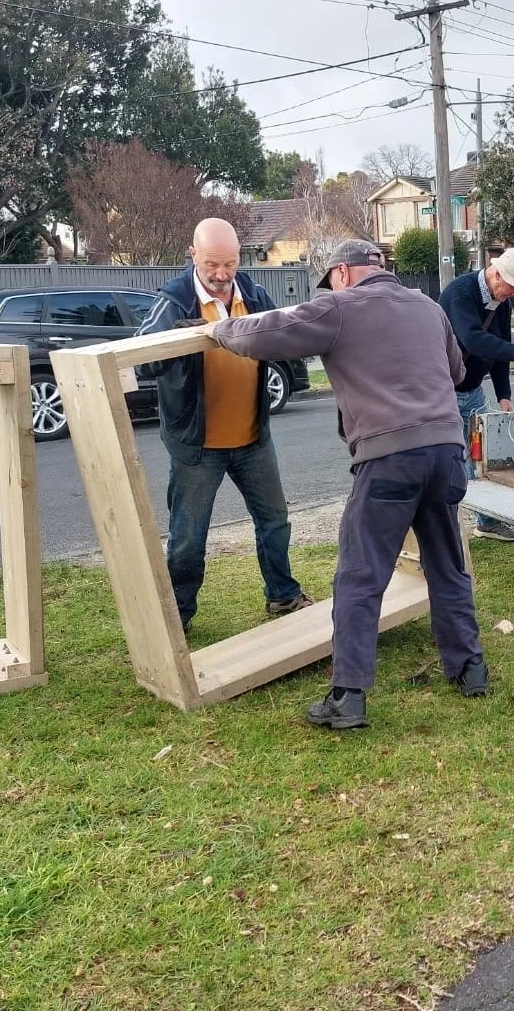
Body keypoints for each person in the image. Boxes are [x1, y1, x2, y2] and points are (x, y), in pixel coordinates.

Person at [207, 239, 488, 730]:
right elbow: (458, 371)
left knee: (360, 576)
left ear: (340, 273)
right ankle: (470, 669)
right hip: (446, 452)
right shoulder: (426, 306)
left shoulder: (338, 308)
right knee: (447, 564)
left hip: (388, 458)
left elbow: (263, 336)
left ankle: (348, 696)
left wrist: (219, 327)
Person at [135, 217, 311, 631]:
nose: (221, 275)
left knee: (274, 520)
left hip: (252, 437)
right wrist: (175, 342)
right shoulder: (173, 301)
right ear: (193, 255)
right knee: (188, 535)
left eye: (229, 264)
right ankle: (178, 614)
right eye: (212, 264)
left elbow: (285, 335)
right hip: (198, 445)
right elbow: (143, 360)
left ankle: (282, 595)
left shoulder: (253, 292)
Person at [438, 247, 514, 542]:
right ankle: (441, 530)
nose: (513, 295)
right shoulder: (460, 293)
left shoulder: (502, 302)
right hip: (443, 392)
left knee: (486, 457)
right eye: (512, 287)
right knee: (451, 461)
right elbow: (473, 338)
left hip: (473, 391)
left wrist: (504, 394)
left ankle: (487, 522)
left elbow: (500, 344)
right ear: (496, 273)